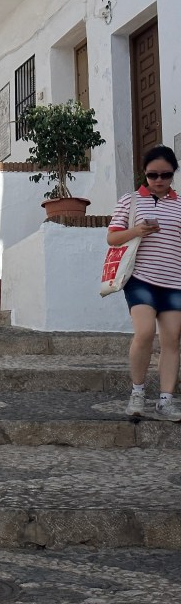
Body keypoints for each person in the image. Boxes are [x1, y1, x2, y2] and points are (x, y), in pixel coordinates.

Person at [108, 145, 181, 421]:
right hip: (140, 279)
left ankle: (165, 401)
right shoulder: (131, 201)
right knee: (145, 332)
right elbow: (112, 238)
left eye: (165, 174)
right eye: (153, 175)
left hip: (174, 281)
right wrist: (137, 230)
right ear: (145, 174)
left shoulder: (180, 205)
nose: (159, 180)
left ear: (173, 174)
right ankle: (137, 393)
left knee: (172, 339)